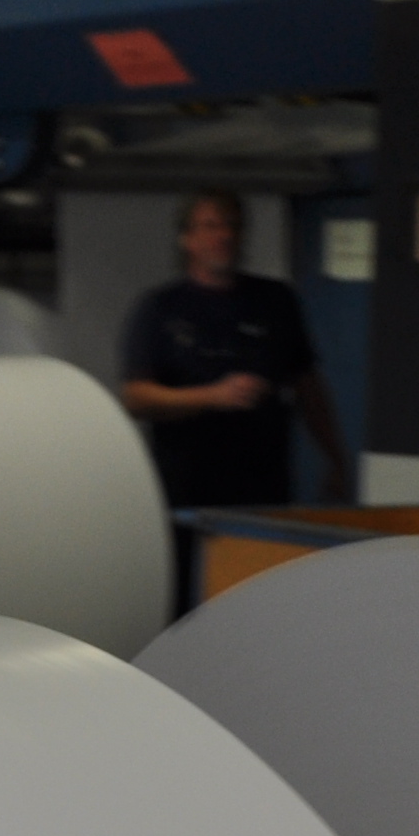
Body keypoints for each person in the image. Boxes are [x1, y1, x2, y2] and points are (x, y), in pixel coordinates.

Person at [121, 190, 349, 604]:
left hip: (262, 489)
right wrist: (211, 396)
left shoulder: (275, 301)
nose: (222, 236)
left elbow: (309, 387)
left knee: (260, 594)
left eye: (231, 226)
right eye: (210, 226)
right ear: (187, 239)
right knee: (189, 597)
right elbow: (136, 397)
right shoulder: (161, 308)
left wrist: (335, 458)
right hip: (187, 490)